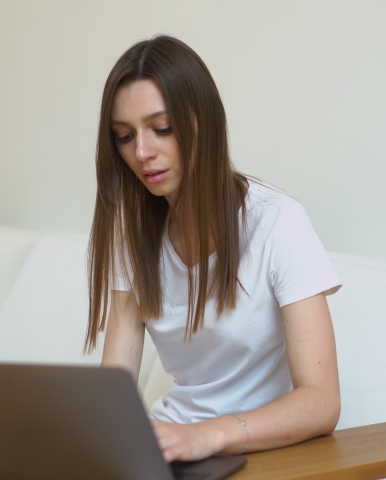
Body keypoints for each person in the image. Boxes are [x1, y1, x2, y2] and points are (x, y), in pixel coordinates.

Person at [85, 35, 342, 463]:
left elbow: (321, 402)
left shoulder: (277, 222)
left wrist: (208, 436)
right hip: (169, 451)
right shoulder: (133, 239)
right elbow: (115, 387)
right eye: (125, 137)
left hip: (254, 450)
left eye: (161, 129)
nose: (142, 152)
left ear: (203, 121)